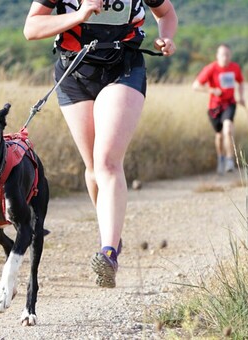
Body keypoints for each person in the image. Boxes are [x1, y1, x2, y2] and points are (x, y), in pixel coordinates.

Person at [23, 0, 178, 288]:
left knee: (107, 161)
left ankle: (108, 252)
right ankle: (112, 237)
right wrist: (80, 15)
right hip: (74, 72)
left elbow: (166, 12)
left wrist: (167, 37)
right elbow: (31, 28)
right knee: (93, 167)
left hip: (124, 69)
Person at [193, 44, 245, 174]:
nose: (225, 57)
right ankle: (221, 157)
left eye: (227, 54)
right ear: (217, 56)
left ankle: (229, 160)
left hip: (230, 103)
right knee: (219, 135)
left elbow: (241, 81)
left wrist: (241, 96)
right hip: (214, 107)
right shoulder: (211, 68)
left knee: (228, 130)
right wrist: (212, 90)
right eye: (222, 54)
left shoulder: (235, 68)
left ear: (230, 55)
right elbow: (195, 86)